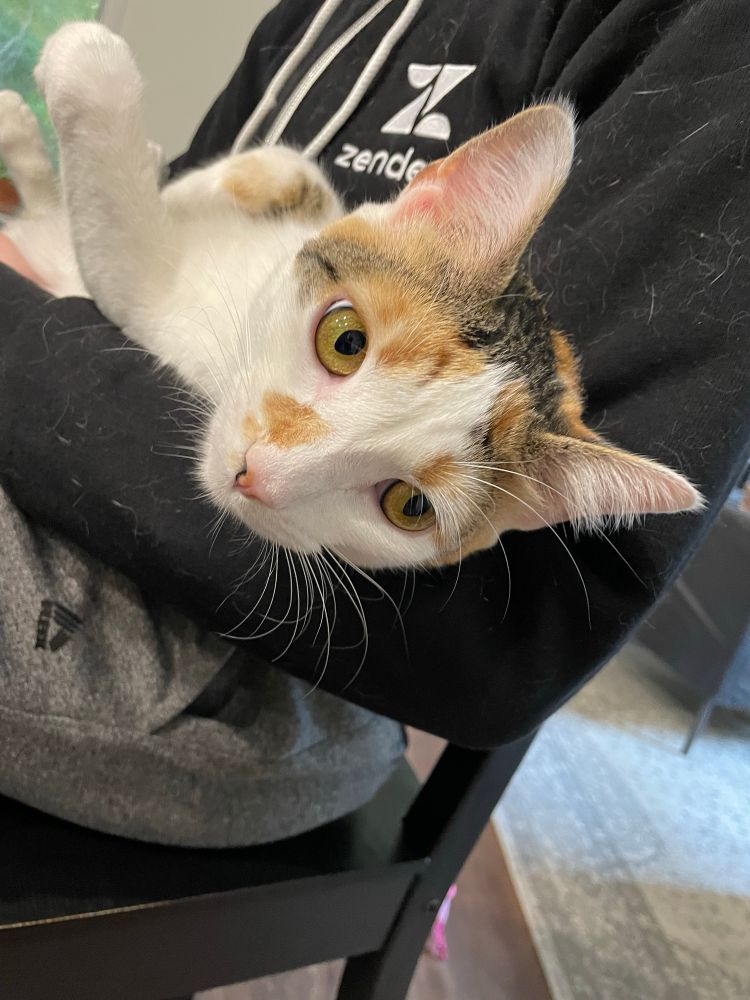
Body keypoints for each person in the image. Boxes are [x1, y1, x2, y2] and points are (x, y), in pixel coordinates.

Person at [0, 0, 748, 840]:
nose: (271, 479)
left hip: (224, 678)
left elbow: (499, 655)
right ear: (423, 208)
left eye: (406, 505)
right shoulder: (312, 23)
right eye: (345, 340)